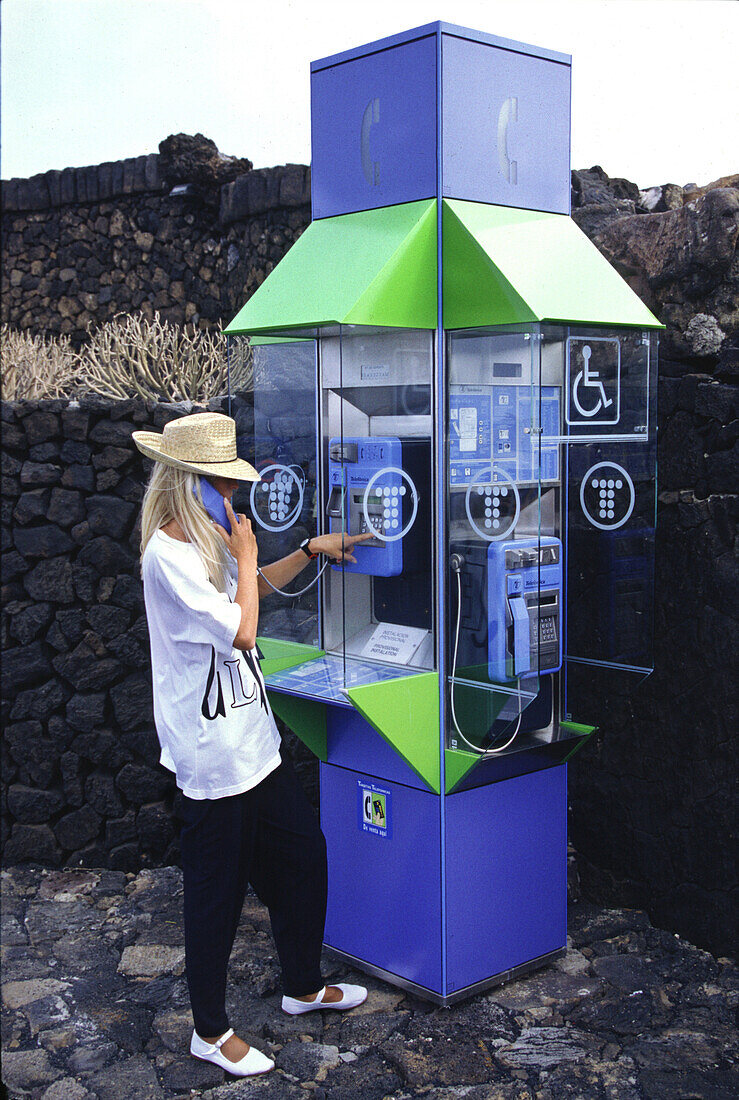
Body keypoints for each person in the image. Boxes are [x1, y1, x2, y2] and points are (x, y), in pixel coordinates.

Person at [133, 412, 370, 1077]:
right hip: (213, 760)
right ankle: (208, 1031)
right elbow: (242, 630)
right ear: (188, 484)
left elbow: (249, 593)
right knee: (216, 897)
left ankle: (301, 984)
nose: (231, 501)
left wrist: (306, 552)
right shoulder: (166, 557)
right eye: (222, 488)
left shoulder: (204, 548)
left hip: (254, 746)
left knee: (302, 855)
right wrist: (242, 555)